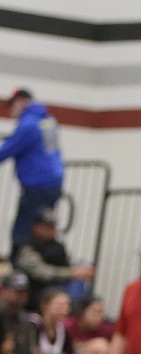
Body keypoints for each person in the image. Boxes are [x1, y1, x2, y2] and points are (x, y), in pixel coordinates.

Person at [0, 89, 63, 248]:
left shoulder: (28, 124)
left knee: (23, 230)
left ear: (22, 101)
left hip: (37, 184)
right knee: (41, 228)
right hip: (53, 182)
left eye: (12, 105)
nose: (11, 110)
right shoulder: (48, 121)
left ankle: (21, 265)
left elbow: (8, 149)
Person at [11, 208, 93, 309]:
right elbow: (40, 272)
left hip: (61, 285)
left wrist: (81, 272)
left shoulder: (58, 246)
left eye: (52, 226)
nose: (51, 230)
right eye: (46, 227)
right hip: (39, 289)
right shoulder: (28, 246)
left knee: (83, 265)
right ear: (36, 227)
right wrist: (69, 273)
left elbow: (68, 264)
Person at [30, 288, 73, 354]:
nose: (64, 309)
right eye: (59, 305)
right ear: (44, 306)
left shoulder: (62, 330)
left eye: (67, 305)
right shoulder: (32, 324)